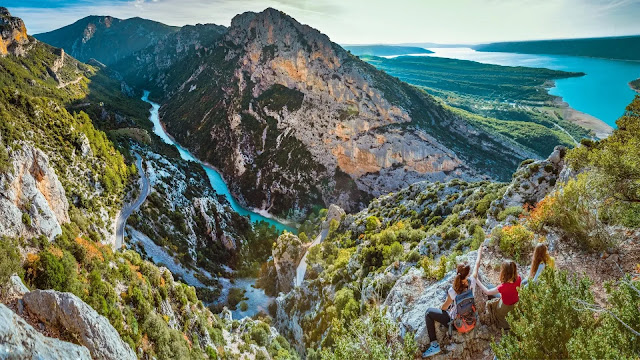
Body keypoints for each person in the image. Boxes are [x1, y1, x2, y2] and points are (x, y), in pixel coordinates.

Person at [422, 246, 483, 358]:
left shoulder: (452, 290)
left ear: (457, 273)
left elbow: (444, 308)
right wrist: (479, 251)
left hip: (457, 324)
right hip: (471, 320)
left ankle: (434, 345)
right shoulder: (472, 281)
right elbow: (477, 264)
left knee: (428, 313)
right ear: (468, 274)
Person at [476, 260, 520, 329]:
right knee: (491, 287)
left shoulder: (503, 287)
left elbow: (487, 292)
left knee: (489, 287)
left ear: (504, 273)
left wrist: (477, 281)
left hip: (504, 308)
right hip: (514, 303)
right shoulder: (519, 278)